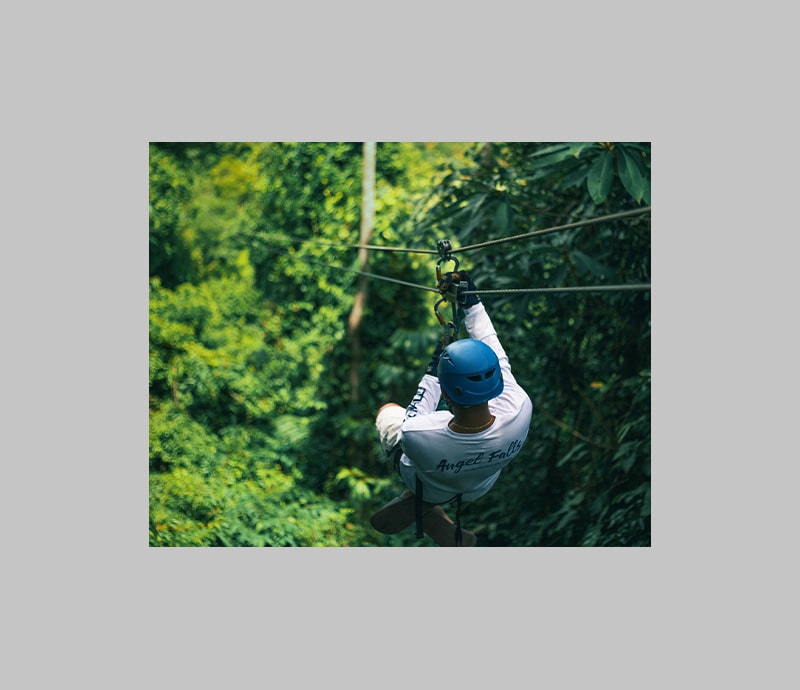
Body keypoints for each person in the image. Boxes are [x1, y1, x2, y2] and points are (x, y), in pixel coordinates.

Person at [371, 269, 533, 546]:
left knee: (388, 411)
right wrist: (472, 302)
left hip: (430, 483)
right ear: (496, 382)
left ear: (446, 393)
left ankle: (426, 504)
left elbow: (413, 417)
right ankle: (432, 511)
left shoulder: (419, 434)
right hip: (478, 486)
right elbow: (494, 348)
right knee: (438, 461)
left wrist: (434, 368)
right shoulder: (519, 406)